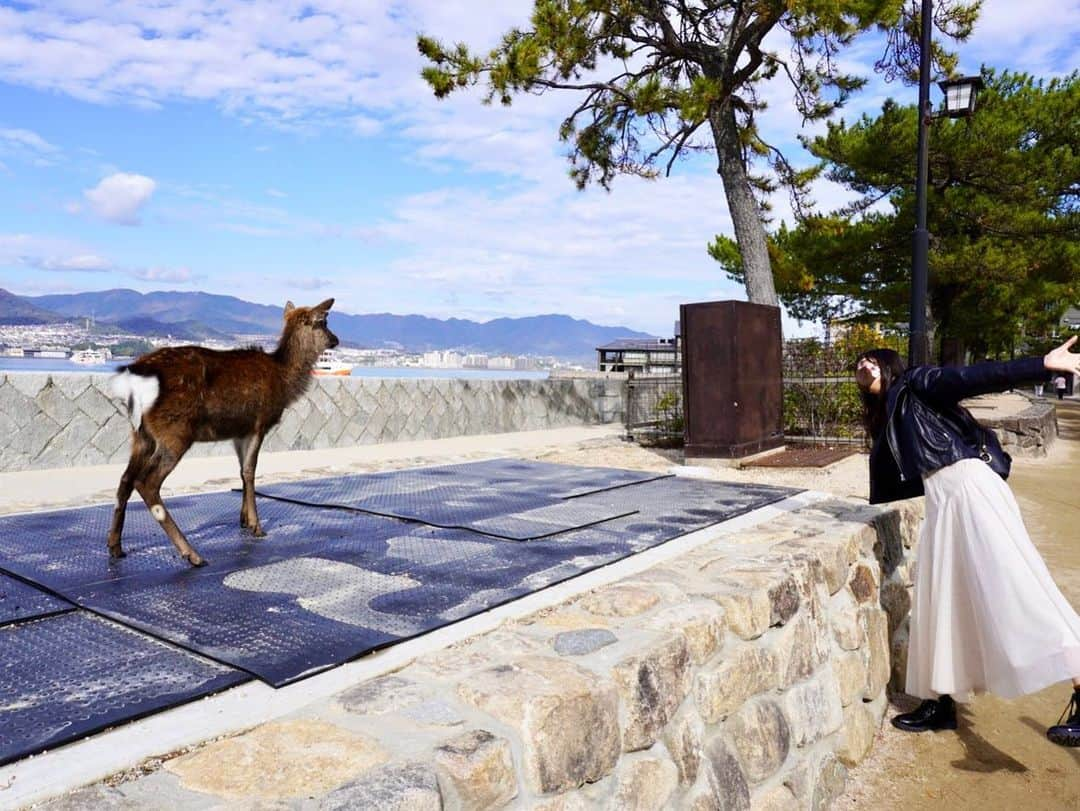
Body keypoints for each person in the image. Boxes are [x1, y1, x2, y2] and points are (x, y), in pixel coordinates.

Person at [854, 336, 1080, 747]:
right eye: (858, 364)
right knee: (942, 601)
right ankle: (941, 701)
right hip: (946, 500)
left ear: (889, 365)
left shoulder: (916, 383)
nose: (863, 366)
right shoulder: (889, 412)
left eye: (871, 360)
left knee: (1020, 587)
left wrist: (1041, 365)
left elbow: (970, 377)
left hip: (969, 490)